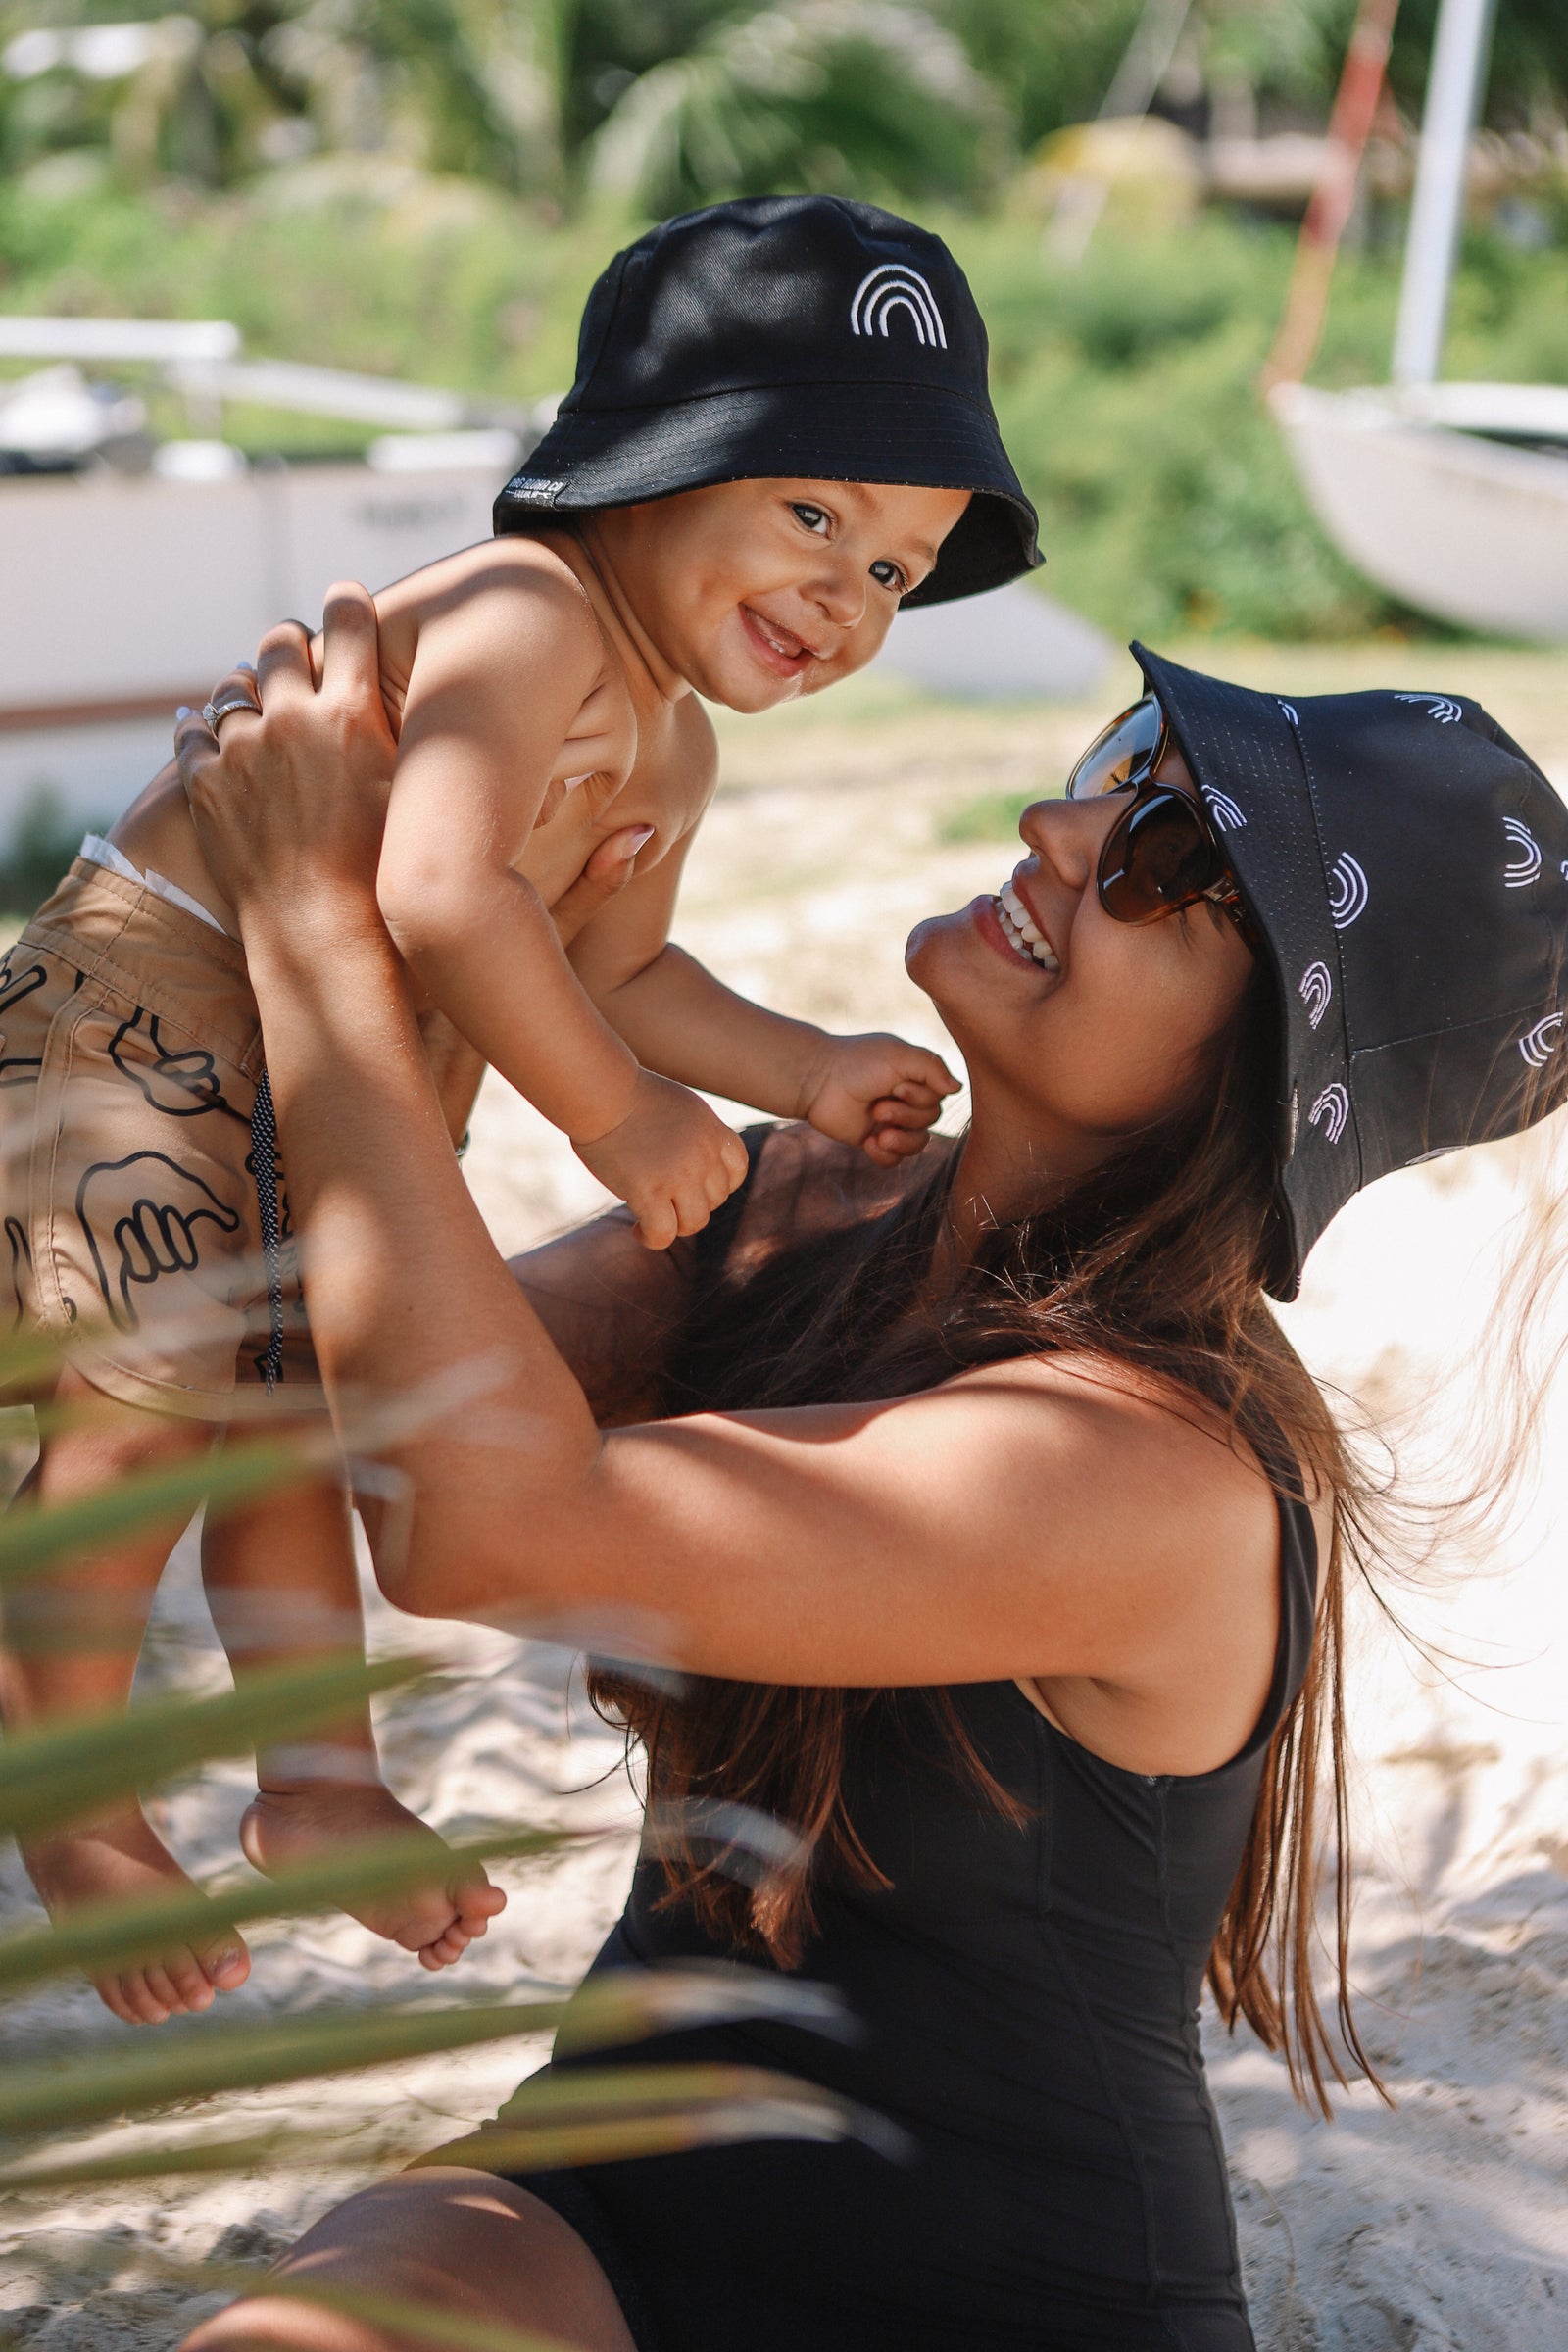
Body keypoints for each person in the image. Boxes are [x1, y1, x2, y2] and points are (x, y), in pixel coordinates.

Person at [176, 598, 1565, 2352]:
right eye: (1115, 772)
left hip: (1002, 2299)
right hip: (596, 2200)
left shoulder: (1143, 1467)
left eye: (1156, 858)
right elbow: (347, 1403)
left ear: (1264, 1078)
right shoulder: (802, 1204)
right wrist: (443, 922)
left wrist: (324, 927)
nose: (1056, 832)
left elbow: (484, 1525)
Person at [0, 194, 1037, 2026]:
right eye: (813, 513)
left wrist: (801, 1071)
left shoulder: (674, 737)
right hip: (150, 1013)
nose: (847, 593)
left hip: (306, 1065)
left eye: (896, 567)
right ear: (645, 472)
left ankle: (313, 1774)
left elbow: (625, 965)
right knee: (144, 1408)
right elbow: (437, 891)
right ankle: (68, 1792)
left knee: (292, 1417)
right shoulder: (522, 610)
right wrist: (627, 1124)